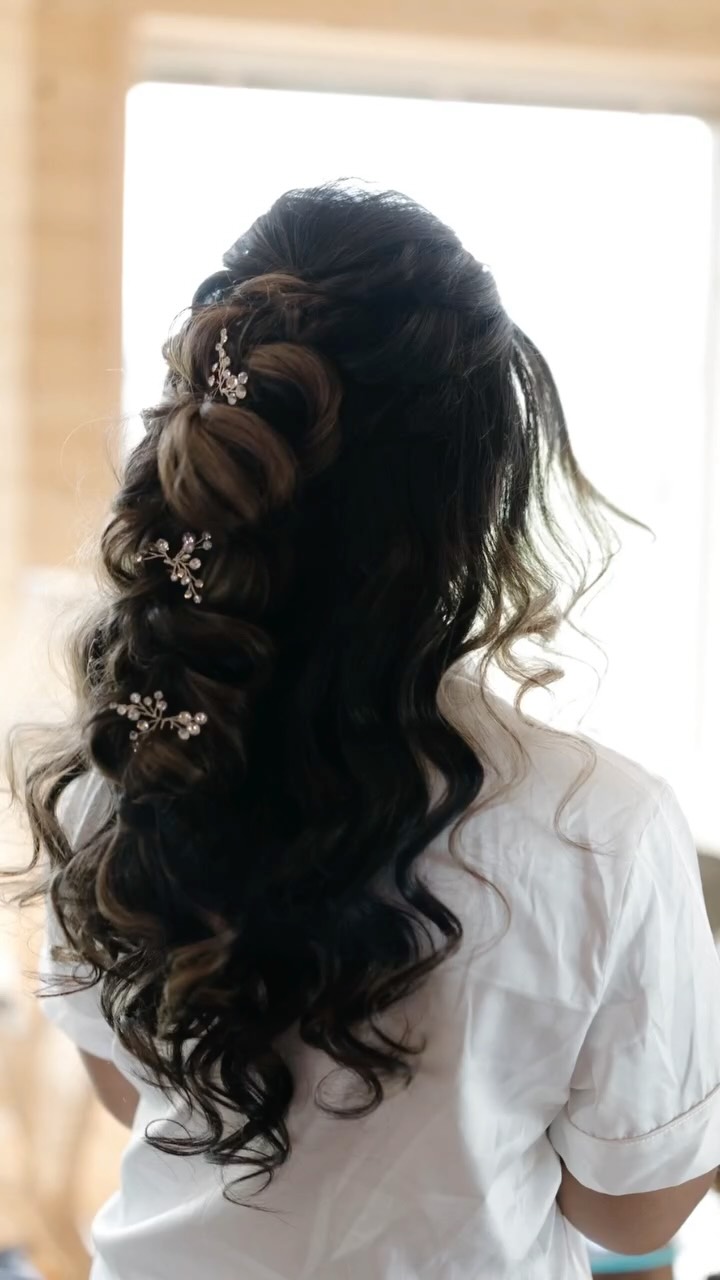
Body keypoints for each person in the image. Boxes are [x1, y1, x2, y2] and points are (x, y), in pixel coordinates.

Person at [13, 184, 720, 1280]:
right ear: (472, 500)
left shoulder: (128, 762)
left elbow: (126, 1081)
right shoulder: (599, 828)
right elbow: (631, 1213)